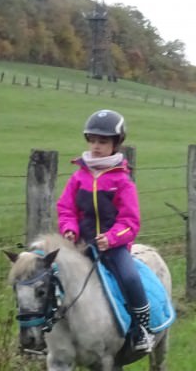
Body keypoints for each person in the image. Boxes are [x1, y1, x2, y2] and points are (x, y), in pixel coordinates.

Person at [56, 109, 154, 353]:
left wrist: (111, 239)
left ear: (116, 144)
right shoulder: (79, 177)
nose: (96, 146)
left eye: (103, 141)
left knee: (131, 278)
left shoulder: (122, 181)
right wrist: (69, 229)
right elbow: (66, 208)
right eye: (92, 140)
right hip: (81, 245)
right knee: (53, 278)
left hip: (114, 248)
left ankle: (142, 330)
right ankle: (50, 332)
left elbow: (131, 221)